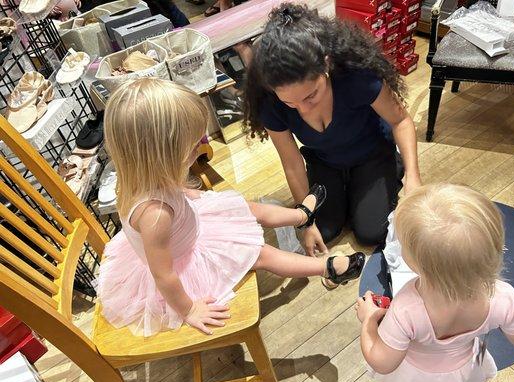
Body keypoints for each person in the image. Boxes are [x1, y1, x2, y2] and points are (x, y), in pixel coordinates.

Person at [97, 78, 366, 337]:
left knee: (241, 206)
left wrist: (196, 198)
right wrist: (189, 309)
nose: (200, 148)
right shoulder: (155, 215)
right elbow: (164, 275)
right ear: (161, 156)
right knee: (260, 254)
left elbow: (174, 196)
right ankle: (327, 267)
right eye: (192, 147)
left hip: (189, 225)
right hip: (186, 262)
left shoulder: (139, 177)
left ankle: (300, 215)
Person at [244, 3, 422, 257]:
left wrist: (413, 177)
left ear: (326, 65)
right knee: (323, 230)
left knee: (372, 232)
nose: (302, 110)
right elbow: (292, 162)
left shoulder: (356, 77)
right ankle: (352, 188)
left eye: (310, 96)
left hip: (370, 152)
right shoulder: (269, 100)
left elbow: (400, 121)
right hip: (324, 160)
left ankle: (390, 167)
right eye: (290, 103)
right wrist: (305, 220)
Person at [355, 183, 514, 382]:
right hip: (464, 366)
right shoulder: (502, 297)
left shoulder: (407, 308)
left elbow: (382, 361)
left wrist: (369, 321)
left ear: (416, 263)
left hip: (414, 375)